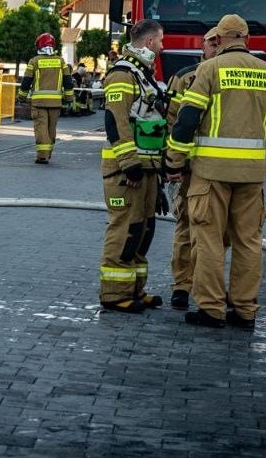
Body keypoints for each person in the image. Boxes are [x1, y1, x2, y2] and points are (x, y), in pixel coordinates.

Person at [164, 14, 266, 329]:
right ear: (247, 39)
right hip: (251, 176)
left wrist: (174, 162)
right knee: (249, 241)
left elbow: (187, 120)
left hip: (210, 173)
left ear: (218, 39)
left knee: (208, 239)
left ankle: (211, 308)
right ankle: (245, 310)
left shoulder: (209, 70)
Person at [97, 19, 167, 313]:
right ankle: (114, 295)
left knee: (143, 230)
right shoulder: (122, 75)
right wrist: (130, 165)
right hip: (127, 170)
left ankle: (135, 289)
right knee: (125, 230)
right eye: (160, 41)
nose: (163, 47)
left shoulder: (143, 75)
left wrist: (158, 173)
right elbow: (116, 123)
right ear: (150, 42)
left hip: (146, 169)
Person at [164, 27, 221, 310]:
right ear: (203, 47)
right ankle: (182, 286)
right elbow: (172, 120)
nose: (215, 48)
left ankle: (207, 288)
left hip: (218, 169)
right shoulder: (185, 77)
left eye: (219, 43)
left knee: (214, 232)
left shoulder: (223, 75)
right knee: (186, 226)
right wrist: (173, 161)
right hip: (191, 168)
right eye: (211, 44)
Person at [19, 33, 74, 164]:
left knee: (41, 128)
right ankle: (48, 153)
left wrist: (21, 97)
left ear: (39, 45)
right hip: (55, 103)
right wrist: (68, 98)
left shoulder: (34, 61)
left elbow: (26, 82)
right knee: (51, 129)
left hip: (39, 103)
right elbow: (68, 82)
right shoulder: (61, 62)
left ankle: (42, 156)